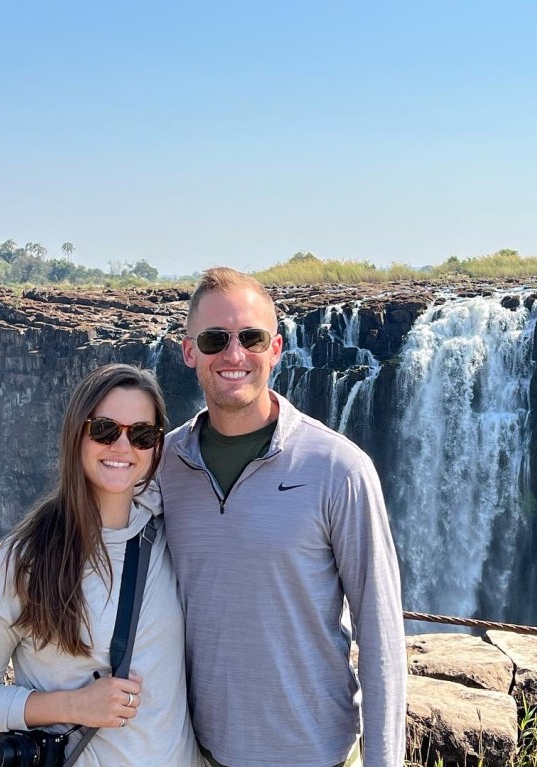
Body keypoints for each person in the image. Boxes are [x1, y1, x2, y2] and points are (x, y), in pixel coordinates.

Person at [145, 267, 406, 767]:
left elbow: (380, 633)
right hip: (199, 752)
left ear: (277, 349)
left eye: (252, 338)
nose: (234, 355)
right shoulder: (162, 467)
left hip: (317, 755)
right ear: (189, 351)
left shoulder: (339, 468)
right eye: (215, 339)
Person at [0, 363, 203, 767]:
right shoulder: (20, 563)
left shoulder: (174, 534)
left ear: (157, 447)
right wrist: (73, 705)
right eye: (104, 429)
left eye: (142, 435)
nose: (123, 447)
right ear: (75, 435)